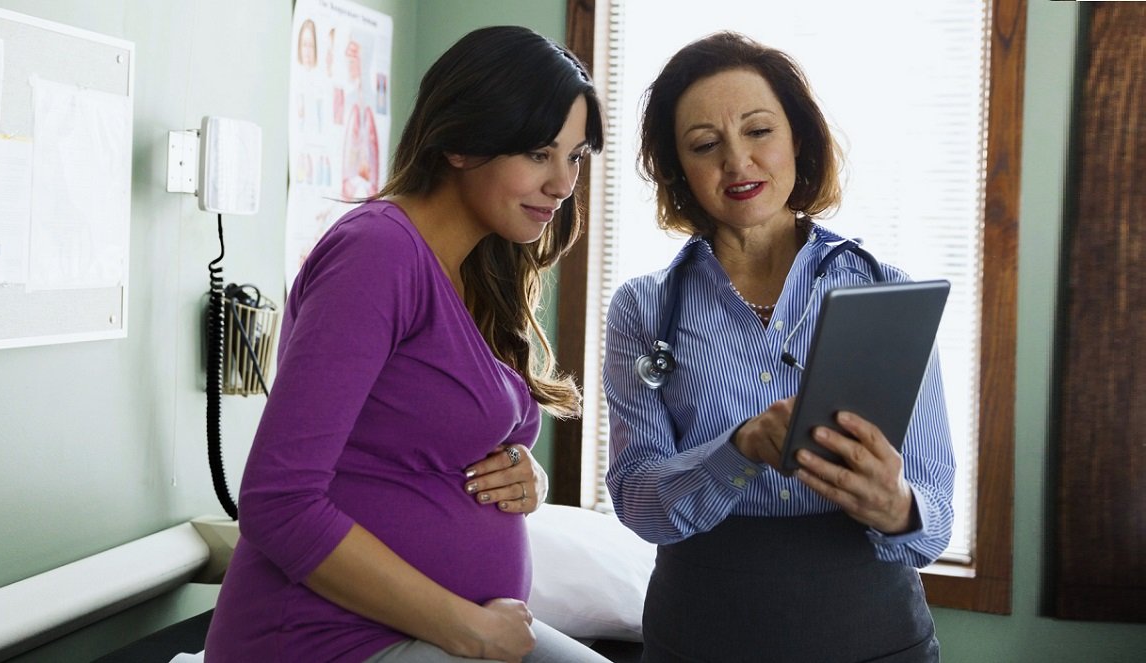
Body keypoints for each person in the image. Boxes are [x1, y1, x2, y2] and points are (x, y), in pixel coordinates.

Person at [206, 26, 610, 663]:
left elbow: (421, 436)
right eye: (539, 154)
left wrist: (522, 473)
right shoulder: (378, 253)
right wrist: (466, 627)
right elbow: (277, 502)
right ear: (461, 143)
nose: (563, 183)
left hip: (437, 630)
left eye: (576, 157)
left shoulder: (479, 268)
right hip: (325, 639)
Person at [602, 31, 955, 662]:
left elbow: (935, 520)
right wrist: (736, 451)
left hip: (872, 632)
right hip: (700, 632)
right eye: (705, 145)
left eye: (759, 131)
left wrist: (898, 505)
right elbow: (637, 502)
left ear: (799, 140)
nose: (737, 161)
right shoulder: (643, 308)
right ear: (678, 170)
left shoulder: (886, 293)